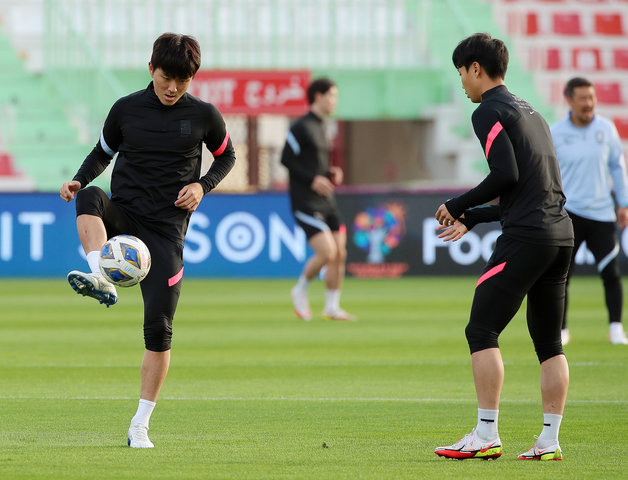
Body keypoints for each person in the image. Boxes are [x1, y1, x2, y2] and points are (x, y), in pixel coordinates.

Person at [59, 33, 235, 448]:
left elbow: (227, 156)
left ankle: (140, 424)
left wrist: (203, 186)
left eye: (183, 80)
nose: (173, 87)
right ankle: (99, 273)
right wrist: (80, 178)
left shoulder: (205, 115)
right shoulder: (125, 109)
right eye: (166, 76)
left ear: (193, 78)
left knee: (159, 331)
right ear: (151, 68)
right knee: (89, 198)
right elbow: (103, 151)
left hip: (165, 233)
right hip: (125, 214)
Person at [433, 33, 574, 461]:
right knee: (549, 343)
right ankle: (548, 442)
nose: (461, 83)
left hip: (528, 238)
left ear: (476, 68)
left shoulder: (488, 110)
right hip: (560, 235)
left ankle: (486, 434)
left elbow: (506, 175)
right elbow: (532, 192)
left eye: (461, 73)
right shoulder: (532, 112)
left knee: (481, 330)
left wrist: (456, 204)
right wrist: (474, 218)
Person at [551, 77, 628, 346]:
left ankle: (616, 329)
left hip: (601, 214)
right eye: (583, 98)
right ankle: (561, 329)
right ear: (569, 99)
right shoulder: (555, 133)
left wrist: (624, 202)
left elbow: (617, 168)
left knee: (611, 273)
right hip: (568, 213)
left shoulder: (606, 130)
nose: (588, 104)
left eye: (592, 98)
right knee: (561, 276)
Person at [281, 77, 355, 322]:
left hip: (326, 200)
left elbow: (314, 164)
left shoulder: (324, 126)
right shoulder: (301, 126)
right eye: (331, 95)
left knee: (340, 254)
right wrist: (312, 179)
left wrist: (329, 173)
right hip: (305, 201)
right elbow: (286, 159)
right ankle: (299, 290)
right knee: (327, 252)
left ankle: (332, 307)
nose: (334, 100)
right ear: (318, 96)